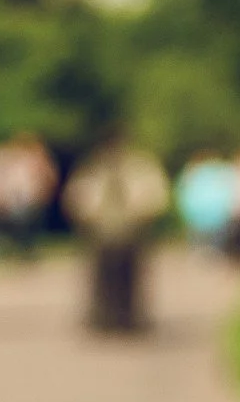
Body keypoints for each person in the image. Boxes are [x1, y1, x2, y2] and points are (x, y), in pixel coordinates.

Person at [61, 131, 168, 336]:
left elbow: (154, 193)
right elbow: (78, 196)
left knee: (131, 277)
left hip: (131, 229)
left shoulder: (139, 167)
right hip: (102, 230)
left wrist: (144, 211)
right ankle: (104, 315)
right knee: (102, 277)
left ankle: (129, 316)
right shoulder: (95, 169)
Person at [0, 133, 58, 258]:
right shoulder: (8, 160)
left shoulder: (35, 160)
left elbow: (48, 178)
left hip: (30, 200)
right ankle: (17, 247)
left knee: (26, 223)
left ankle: (24, 248)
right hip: (13, 200)